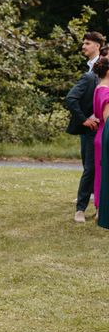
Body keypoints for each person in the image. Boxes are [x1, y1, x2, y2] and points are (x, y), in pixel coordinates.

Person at [66, 31, 104, 223]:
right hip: (92, 128)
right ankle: (81, 207)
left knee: (100, 167)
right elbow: (73, 98)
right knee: (90, 166)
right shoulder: (90, 76)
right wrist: (85, 119)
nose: (83, 47)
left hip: (104, 128)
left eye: (87, 43)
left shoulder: (100, 74)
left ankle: (99, 206)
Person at [93, 55, 109, 223]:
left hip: (101, 133)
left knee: (101, 174)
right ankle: (102, 211)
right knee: (104, 175)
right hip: (106, 134)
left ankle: (100, 209)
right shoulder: (106, 91)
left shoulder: (99, 87)